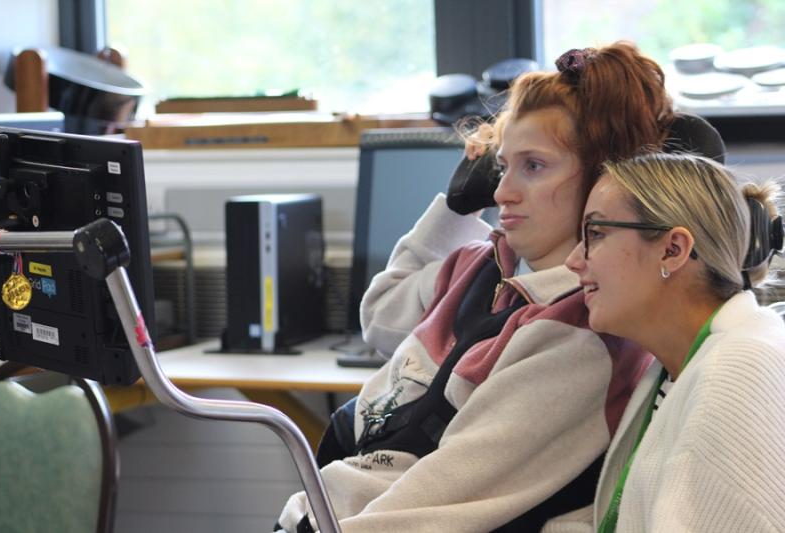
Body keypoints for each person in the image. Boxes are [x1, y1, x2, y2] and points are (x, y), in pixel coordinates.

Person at [276, 42, 676, 533]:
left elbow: (435, 507)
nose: (503, 191)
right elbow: (380, 318)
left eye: (534, 166)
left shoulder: (579, 332)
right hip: (324, 506)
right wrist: (456, 206)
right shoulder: (482, 264)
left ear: (602, 179)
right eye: (502, 166)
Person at [565, 153, 785, 532]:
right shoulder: (679, 366)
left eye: (596, 234)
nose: (573, 260)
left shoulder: (738, 371)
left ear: (673, 250)